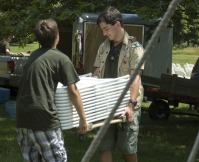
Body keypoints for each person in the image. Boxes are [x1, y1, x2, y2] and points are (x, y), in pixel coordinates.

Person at [16, 19, 87, 162]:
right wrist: (82, 118)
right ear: (57, 36)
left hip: (22, 119)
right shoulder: (61, 58)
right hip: (44, 120)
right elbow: (73, 91)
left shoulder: (33, 56)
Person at [92, 7, 145, 162]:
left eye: (106, 29)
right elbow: (96, 72)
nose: (104, 33)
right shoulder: (103, 47)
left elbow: (136, 78)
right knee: (104, 146)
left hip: (126, 104)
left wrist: (131, 104)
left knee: (127, 148)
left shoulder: (135, 48)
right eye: (102, 30)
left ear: (117, 24)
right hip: (105, 103)